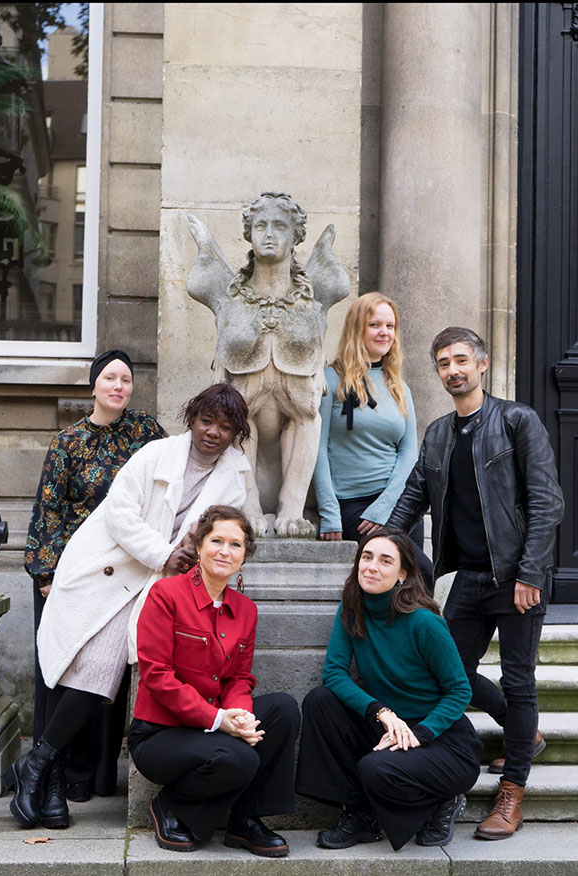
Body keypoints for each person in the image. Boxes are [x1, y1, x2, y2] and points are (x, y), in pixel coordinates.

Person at [4, 383, 251, 832]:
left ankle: (38, 765)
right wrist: (161, 553)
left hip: (154, 586)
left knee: (99, 665)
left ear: (236, 432)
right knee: (71, 660)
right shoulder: (158, 454)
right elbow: (119, 512)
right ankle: (48, 775)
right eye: (205, 421)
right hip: (105, 566)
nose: (212, 432)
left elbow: (218, 537)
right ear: (191, 419)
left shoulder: (234, 476)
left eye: (225, 426)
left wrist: (175, 562)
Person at [387, 326, 565, 840]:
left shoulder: (517, 420)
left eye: (461, 360)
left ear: (482, 364)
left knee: (518, 678)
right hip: (469, 577)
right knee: (455, 675)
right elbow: (414, 493)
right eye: (443, 363)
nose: (452, 370)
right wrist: (382, 546)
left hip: (516, 577)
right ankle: (521, 732)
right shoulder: (440, 432)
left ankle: (512, 792)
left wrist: (531, 571)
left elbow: (545, 502)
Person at [24, 348, 167, 803]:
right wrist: (44, 573)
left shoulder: (146, 434)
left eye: (126, 379)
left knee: (105, 672)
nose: (119, 386)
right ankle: (53, 773)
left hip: (121, 570)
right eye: (110, 378)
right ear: (93, 386)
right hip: (70, 572)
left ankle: (98, 773)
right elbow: (47, 511)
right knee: (62, 669)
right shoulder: (67, 443)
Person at [129, 505, 300, 856]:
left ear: (245, 554)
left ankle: (245, 821)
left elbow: (239, 678)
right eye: (216, 540)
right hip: (161, 733)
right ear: (200, 545)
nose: (225, 551)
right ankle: (171, 806)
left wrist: (240, 715)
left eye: (235, 544)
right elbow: (157, 676)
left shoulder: (245, 610)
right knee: (240, 759)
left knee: (283, 709)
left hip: (215, 724)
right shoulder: (166, 595)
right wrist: (219, 720)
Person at [296, 530, 482, 851]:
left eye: (385, 561)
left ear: (402, 575)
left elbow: (459, 691)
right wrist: (380, 711)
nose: (372, 567)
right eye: (366, 557)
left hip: (443, 742)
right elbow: (334, 674)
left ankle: (443, 801)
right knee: (320, 701)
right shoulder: (353, 609)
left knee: (374, 768)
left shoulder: (424, 623)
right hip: (388, 727)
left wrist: (420, 733)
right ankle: (360, 814)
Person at [187, 192, 349, 537]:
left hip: (296, 457)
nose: (269, 234)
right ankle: (248, 505)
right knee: (238, 413)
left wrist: (293, 506)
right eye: (260, 225)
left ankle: (292, 507)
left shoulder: (311, 303)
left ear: (296, 237)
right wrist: (248, 504)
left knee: (307, 414)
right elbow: (235, 417)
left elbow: (307, 415)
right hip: (246, 457)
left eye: (279, 226)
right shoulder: (231, 299)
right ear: (249, 233)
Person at [313, 292, 432, 588]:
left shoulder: (399, 388)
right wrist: (329, 513)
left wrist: (386, 505)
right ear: (357, 329)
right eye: (375, 324)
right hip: (352, 505)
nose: (385, 333)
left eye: (390, 326)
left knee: (409, 589)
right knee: (422, 573)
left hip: (397, 504)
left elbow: (408, 453)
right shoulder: (329, 380)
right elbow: (315, 450)